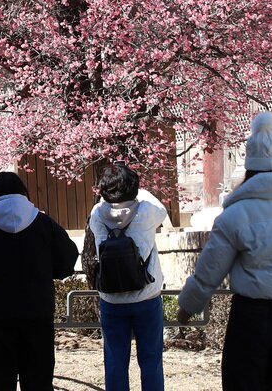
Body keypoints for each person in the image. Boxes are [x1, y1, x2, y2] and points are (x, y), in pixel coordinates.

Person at [177, 112, 272, 391]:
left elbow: (210, 271)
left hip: (251, 316)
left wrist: (189, 305)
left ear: (248, 169)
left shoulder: (235, 215)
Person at [0, 171, 78, 391]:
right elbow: (67, 260)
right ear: (24, 194)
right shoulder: (44, 223)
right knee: (39, 381)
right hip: (38, 313)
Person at [89, 163, 168, 391]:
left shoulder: (97, 214)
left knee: (115, 362)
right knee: (151, 361)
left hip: (111, 300)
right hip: (146, 296)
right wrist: (139, 191)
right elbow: (161, 210)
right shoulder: (146, 212)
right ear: (134, 188)